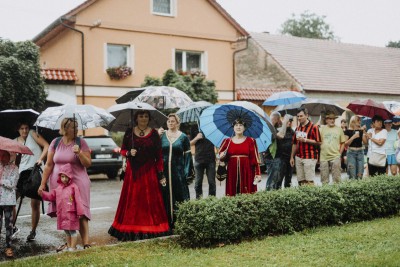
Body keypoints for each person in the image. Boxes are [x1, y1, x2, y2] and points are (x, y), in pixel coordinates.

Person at [109, 110, 170, 240]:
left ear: (149, 118)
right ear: (136, 118)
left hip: (149, 172)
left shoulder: (154, 133)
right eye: (141, 116)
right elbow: (122, 150)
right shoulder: (129, 132)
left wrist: (160, 172)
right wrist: (129, 153)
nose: (143, 118)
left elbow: (158, 155)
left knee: (149, 202)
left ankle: (151, 227)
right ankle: (131, 227)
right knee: (133, 201)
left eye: (146, 116)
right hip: (133, 173)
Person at [38, 118, 92, 249]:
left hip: (78, 181)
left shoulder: (81, 142)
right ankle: (70, 242)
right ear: (65, 128)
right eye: (73, 127)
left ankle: (86, 243)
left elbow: (88, 164)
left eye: (77, 126)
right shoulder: (55, 142)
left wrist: (79, 153)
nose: (76, 129)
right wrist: (42, 183)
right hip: (59, 183)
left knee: (81, 211)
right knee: (65, 212)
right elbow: (49, 164)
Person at [14, 121, 49, 241]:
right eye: (22, 128)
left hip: (36, 171)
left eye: (26, 128)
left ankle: (33, 231)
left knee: (35, 204)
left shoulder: (33, 134)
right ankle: (12, 227)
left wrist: (40, 159)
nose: (24, 131)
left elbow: (46, 146)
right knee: (12, 201)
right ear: (18, 130)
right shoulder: (14, 142)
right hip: (22, 174)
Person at [39, 163, 84, 252]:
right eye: (62, 177)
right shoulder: (58, 188)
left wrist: (80, 212)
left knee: (72, 231)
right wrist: (43, 194)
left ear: (70, 177)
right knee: (66, 231)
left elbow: (78, 201)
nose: (64, 179)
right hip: (62, 214)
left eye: (66, 177)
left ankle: (73, 247)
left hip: (71, 214)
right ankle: (69, 246)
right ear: (60, 177)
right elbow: (51, 196)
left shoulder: (74, 187)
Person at [160, 114, 192, 227]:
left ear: (177, 123)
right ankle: (165, 222)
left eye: (173, 121)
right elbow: (156, 154)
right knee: (164, 195)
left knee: (179, 195)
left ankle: (179, 221)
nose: (170, 123)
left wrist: (187, 173)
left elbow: (188, 157)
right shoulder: (162, 135)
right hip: (163, 171)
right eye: (168, 121)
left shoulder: (183, 137)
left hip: (178, 172)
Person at [219, 118, 261, 196]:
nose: (238, 127)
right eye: (236, 125)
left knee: (247, 194)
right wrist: (222, 156)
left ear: (244, 128)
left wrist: (258, 173)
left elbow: (255, 159)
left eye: (241, 125)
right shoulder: (227, 141)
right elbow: (222, 158)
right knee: (232, 194)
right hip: (232, 172)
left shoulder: (251, 141)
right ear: (233, 127)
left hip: (247, 171)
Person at [290, 108, 321, 186]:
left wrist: (305, 140)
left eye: (301, 116)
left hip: (309, 156)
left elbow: (319, 142)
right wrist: (292, 157)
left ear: (307, 115)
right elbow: (294, 143)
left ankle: (310, 197)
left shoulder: (314, 127)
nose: (299, 118)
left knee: (309, 181)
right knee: (300, 181)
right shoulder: (297, 128)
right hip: (298, 157)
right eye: (298, 116)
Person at [0, 150, 19, 258]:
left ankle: (8, 246)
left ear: (9, 156)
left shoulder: (14, 168)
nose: (2, 158)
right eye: (0, 155)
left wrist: (1, 181)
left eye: (4, 156)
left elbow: (12, 184)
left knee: (9, 225)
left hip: (8, 200)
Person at [319, 112, 346, 184]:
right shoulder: (321, 129)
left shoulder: (339, 129)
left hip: (335, 156)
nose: (332, 120)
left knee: (337, 180)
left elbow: (343, 143)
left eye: (333, 119)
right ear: (326, 120)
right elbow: (317, 141)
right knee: (324, 180)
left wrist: (339, 154)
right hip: (323, 157)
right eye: (330, 119)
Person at [190, 124, 216, 199]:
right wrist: (197, 138)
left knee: (212, 183)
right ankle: (199, 201)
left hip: (210, 159)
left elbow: (217, 141)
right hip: (198, 159)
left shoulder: (212, 127)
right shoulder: (194, 127)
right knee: (198, 183)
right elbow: (190, 143)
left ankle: (212, 201)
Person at [264, 112, 282, 191]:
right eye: (273, 119)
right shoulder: (270, 129)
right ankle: (268, 195)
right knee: (272, 179)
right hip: (272, 157)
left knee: (275, 179)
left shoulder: (274, 128)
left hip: (274, 157)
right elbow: (280, 136)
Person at [277, 115, 295, 188]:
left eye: (290, 121)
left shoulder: (293, 132)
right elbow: (279, 136)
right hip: (281, 158)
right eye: (288, 121)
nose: (289, 123)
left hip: (290, 158)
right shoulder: (279, 130)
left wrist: (292, 157)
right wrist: (284, 124)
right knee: (279, 178)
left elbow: (294, 143)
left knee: (288, 178)